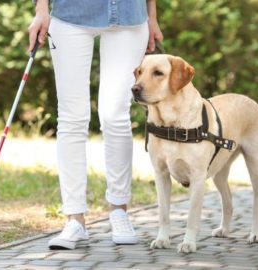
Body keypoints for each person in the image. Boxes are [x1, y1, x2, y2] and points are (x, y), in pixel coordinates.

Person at [28, 0, 163, 249]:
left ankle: (119, 211)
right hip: (70, 14)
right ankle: (74, 219)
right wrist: (41, 10)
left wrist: (152, 16)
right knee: (72, 117)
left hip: (130, 15)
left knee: (115, 115)